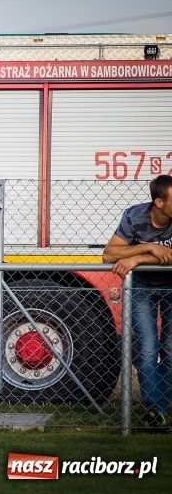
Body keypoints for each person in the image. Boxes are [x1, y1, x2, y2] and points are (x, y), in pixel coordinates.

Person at [103, 174, 172, 432]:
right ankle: (155, 411)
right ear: (159, 202)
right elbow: (109, 254)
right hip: (141, 288)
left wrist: (135, 259)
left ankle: (159, 411)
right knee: (146, 349)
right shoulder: (134, 216)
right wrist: (151, 249)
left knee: (170, 350)